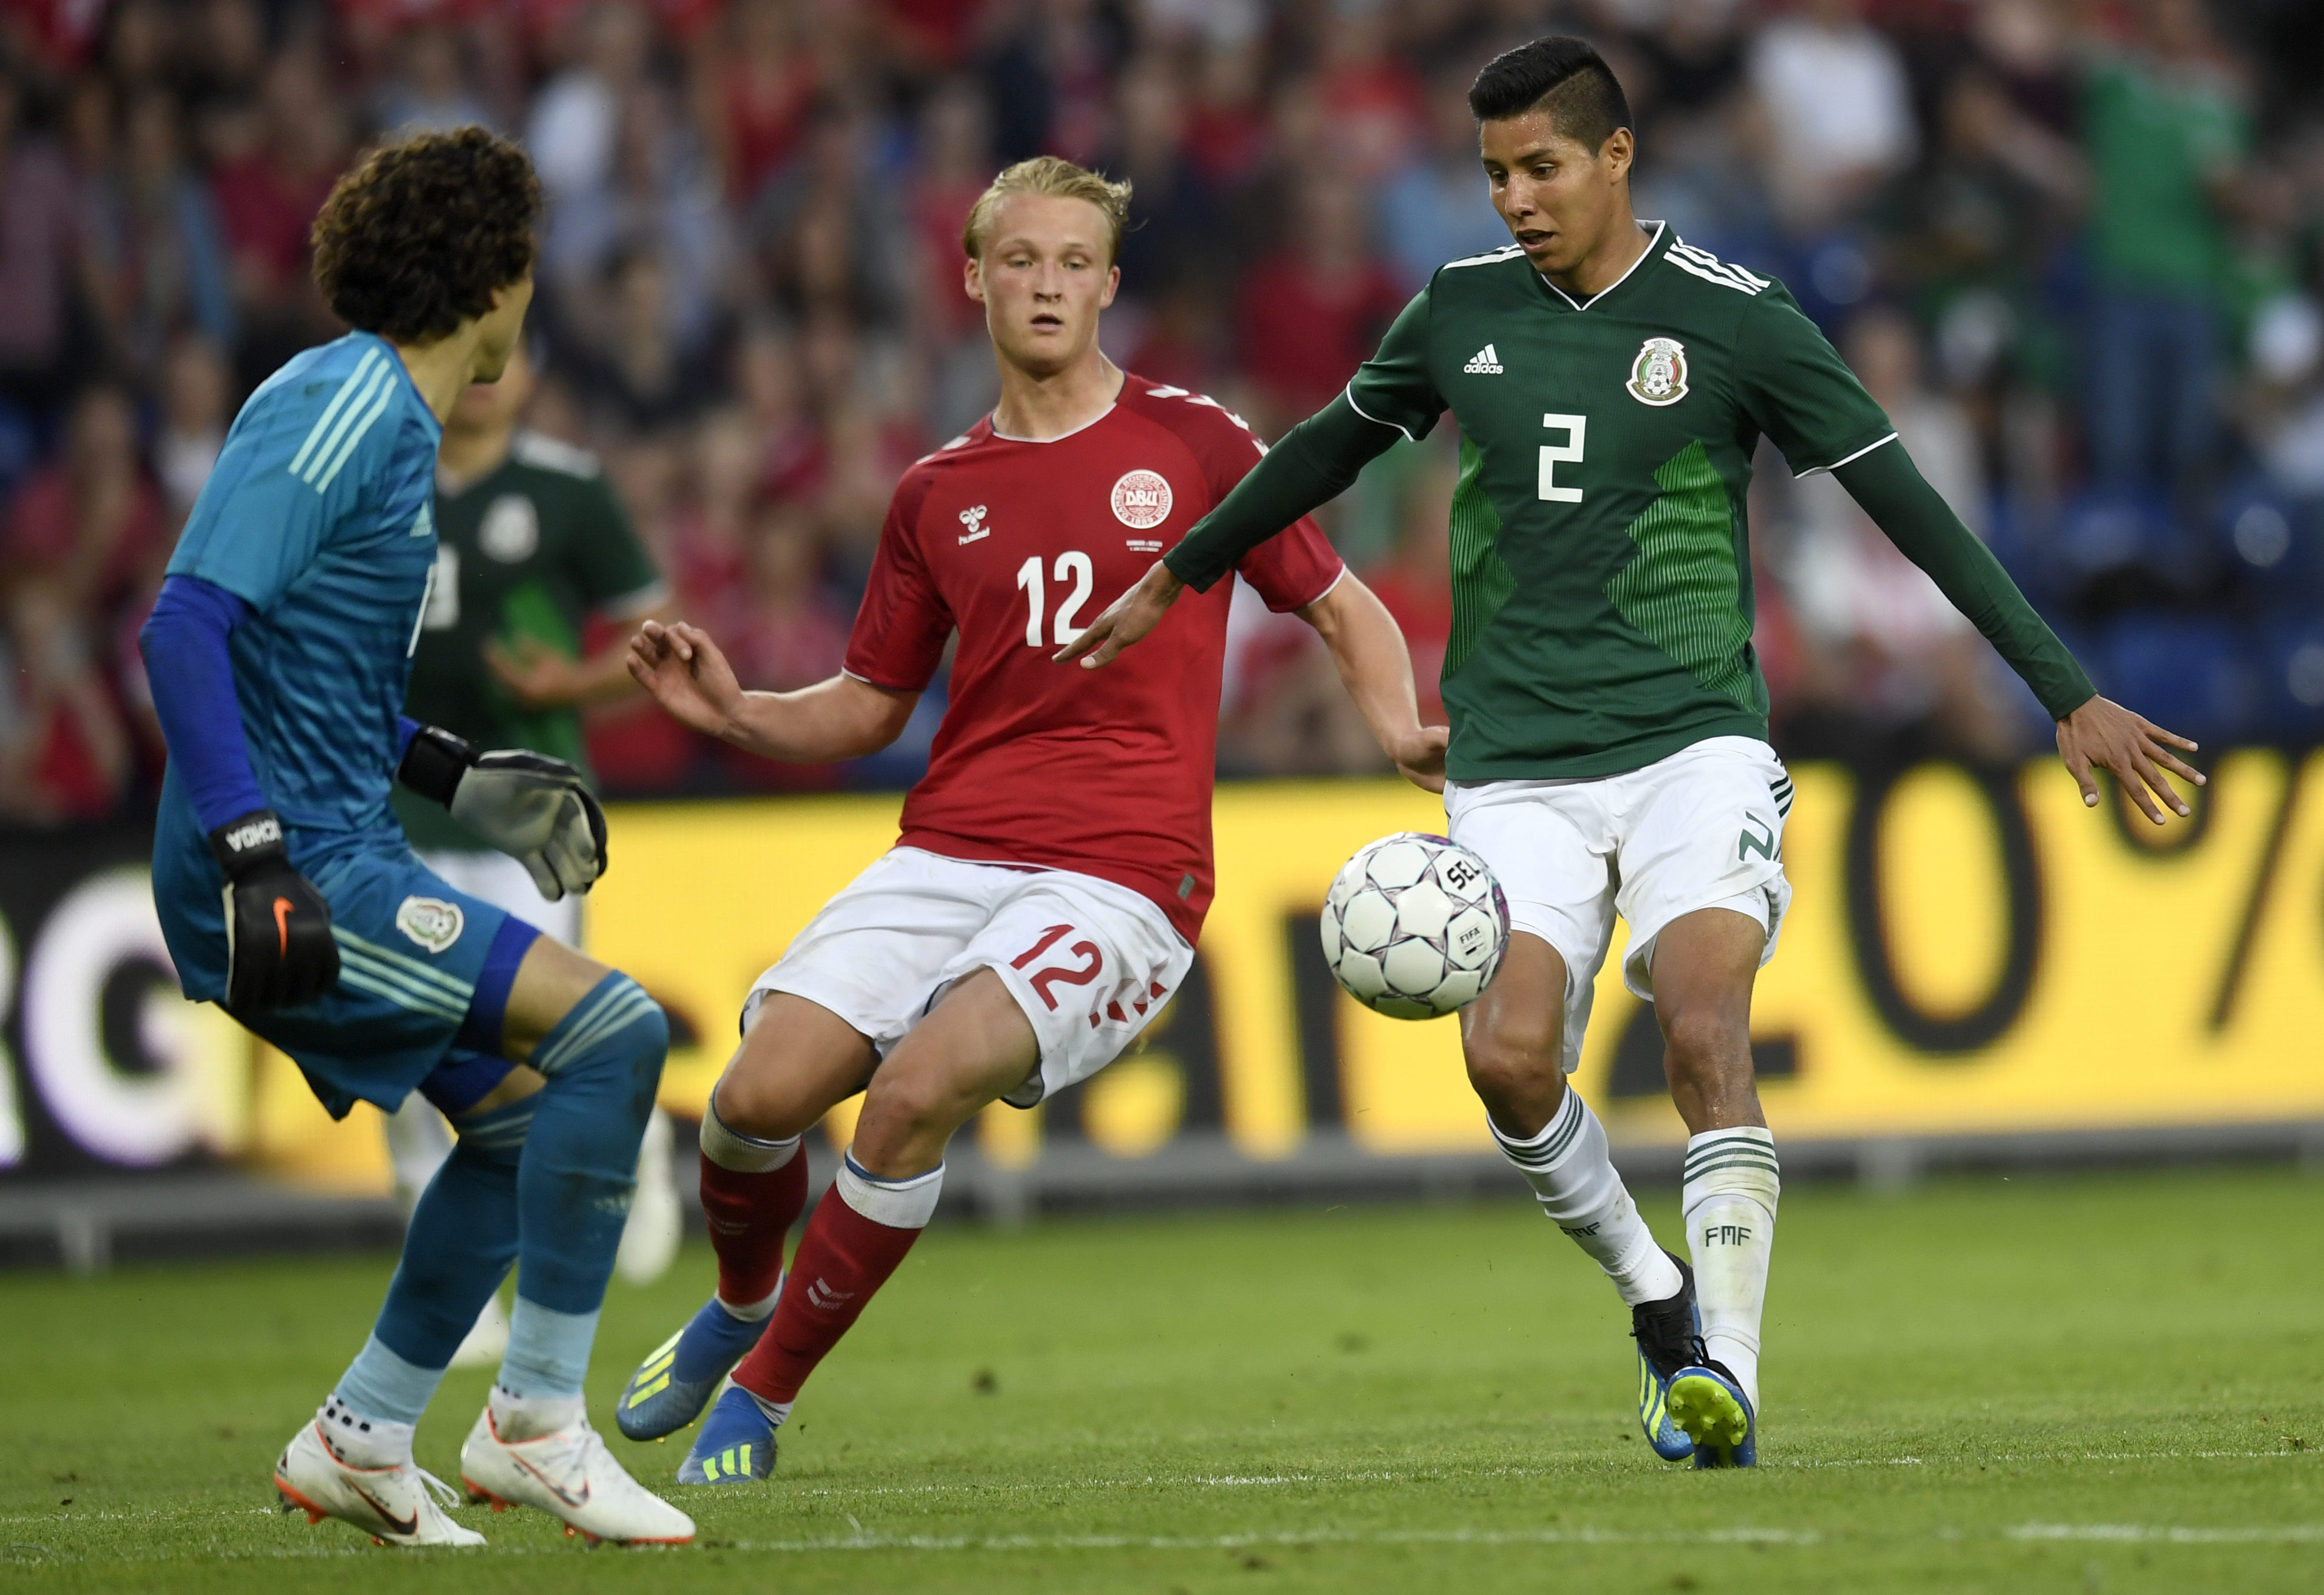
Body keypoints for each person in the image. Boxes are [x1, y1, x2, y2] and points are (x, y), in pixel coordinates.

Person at [1062, 37, 2205, 1471]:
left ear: (1616, 158)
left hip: (1692, 745)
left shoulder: (1738, 320)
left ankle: (1728, 1365)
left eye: (1542, 167)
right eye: (1492, 174)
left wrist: (2064, 687)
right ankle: (1656, 1300)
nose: (1515, 200)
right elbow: (1319, 453)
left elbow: (1908, 508)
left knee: (1706, 1029)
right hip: (1516, 759)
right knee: (1507, 1054)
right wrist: (1182, 572)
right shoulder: (1458, 311)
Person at [618, 154, 1442, 1486]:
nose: (1047, 284)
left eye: (1073, 263)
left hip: (1123, 872)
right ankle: (740, 1302)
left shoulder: (1200, 444)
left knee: (916, 1087)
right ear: (974, 279)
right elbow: (872, 701)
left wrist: (1400, 726)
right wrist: (736, 712)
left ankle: (763, 1398)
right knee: (749, 1100)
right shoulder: (935, 490)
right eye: (1021, 261)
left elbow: (1341, 604)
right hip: (948, 846)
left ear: (1110, 285)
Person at [135, 127, 692, 1547]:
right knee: (614, 1034)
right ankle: (539, 1425)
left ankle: (363, 1433)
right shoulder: (348, 402)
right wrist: (257, 852)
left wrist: (455, 770)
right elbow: (188, 624)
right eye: (529, 265)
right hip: (289, 862)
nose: (533, 294)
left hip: (342, 836)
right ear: (492, 275)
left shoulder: (388, 420)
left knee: (512, 1119)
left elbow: (311, 679)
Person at [386, 339, 684, 1370]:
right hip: (399, 808)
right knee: (416, 1039)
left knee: (537, 1037)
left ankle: (635, 1137)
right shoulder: (383, 473)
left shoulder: (566, 488)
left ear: (536, 374)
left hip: (529, 810)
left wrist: (575, 683)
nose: (488, 373)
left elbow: (656, 623)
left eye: (507, 355)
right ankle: (463, 1296)